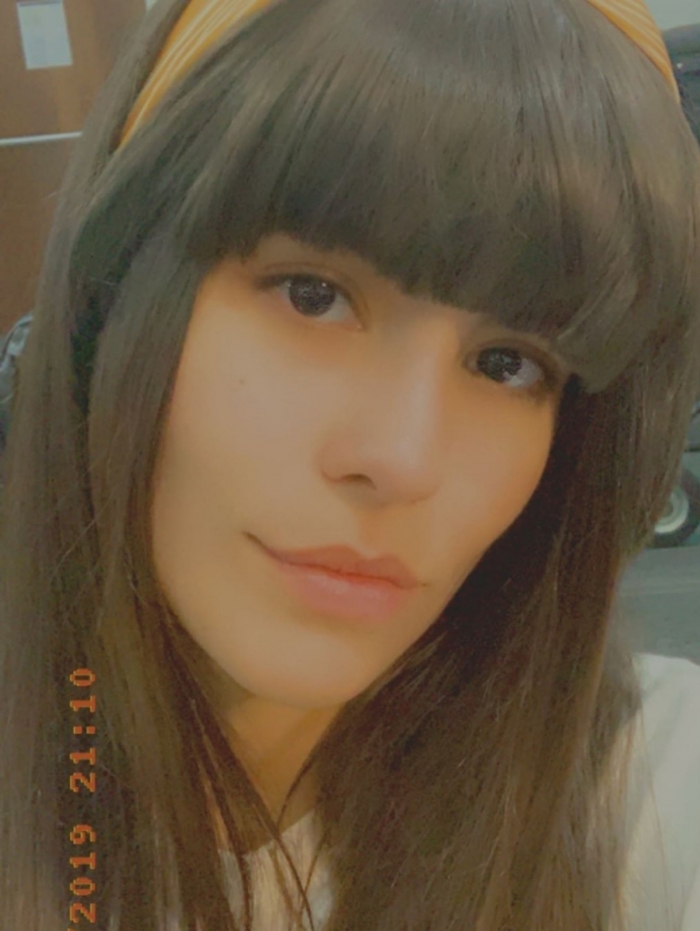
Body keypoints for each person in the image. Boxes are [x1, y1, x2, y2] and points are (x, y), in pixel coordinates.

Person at [1, 0, 699, 928]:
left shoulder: (651, 790)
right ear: (112, 300)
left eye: (507, 363)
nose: (401, 458)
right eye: (312, 295)